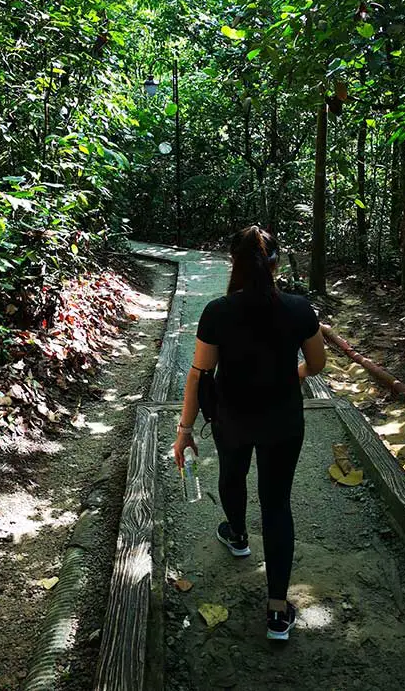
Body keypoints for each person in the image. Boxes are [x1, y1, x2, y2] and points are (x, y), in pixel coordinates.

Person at [173, 225, 326, 641]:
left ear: (234, 265)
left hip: (232, 418)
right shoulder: (299, 308)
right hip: (283, 421)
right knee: (277, 505)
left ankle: (238, 535)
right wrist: (291, 374)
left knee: (232, 474)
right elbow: (317, 365)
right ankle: (278, 611)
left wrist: (184, 430)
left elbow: (199, 374)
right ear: (275, 264)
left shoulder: (218, 312)